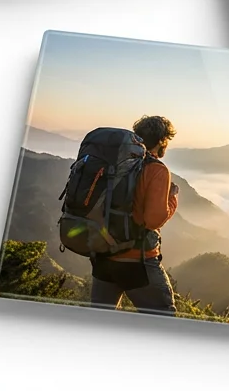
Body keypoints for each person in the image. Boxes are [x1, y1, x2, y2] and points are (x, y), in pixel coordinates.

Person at [90, 115, 180, 316]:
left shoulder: (113, 163)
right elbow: (153, 221)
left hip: (103, 256)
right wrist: (172, 199)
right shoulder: (156, 169)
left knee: (99, 319)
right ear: (161, 141)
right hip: (137, 262)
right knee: (163, 316)